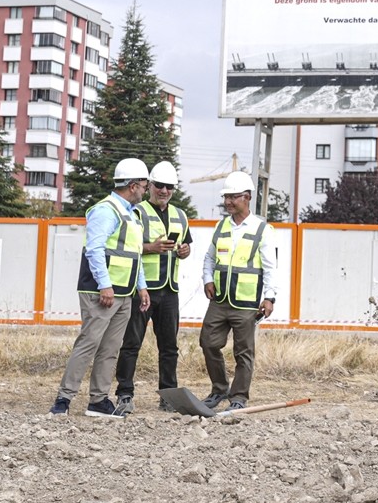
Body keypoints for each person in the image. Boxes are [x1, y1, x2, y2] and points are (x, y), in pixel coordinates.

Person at [50, 159, 151, 417]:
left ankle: (98, 401)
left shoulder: (132, 214)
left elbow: (135, 254)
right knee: (89, 344)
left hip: (124, 292)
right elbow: (94, 250)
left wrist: (141, 287)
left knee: (110, 349)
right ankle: (64, 399)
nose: (146, 189)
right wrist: (105, 285)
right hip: (101, 292)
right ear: (132, 185)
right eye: (144, 184)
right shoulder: (106, 211)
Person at [114, 161, 192, 413]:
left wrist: (184, 251)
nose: (164, 190)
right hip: (142, 290)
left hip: (169, 290)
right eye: (159, 185)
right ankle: (124, 394)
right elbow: (127, 247)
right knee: (131, 343)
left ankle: (168, 395)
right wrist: (150, 248)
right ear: (149, 186)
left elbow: (186, 247)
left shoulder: (180, 216)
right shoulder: (137, 212)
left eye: (170, 187)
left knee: (169, 346)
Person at [200, 171, 276, 411]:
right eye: (226, 197)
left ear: (247, 197)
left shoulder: (262, 229)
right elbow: (209, 258)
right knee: (208, 343)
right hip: (220, 299)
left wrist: (269, 297)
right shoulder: (221, 226)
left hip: (246, 302)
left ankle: (239, 397)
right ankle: (219, 390)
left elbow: (271, 267)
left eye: (233, 197)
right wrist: (207, 280)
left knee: (243, 352)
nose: (228, 202)